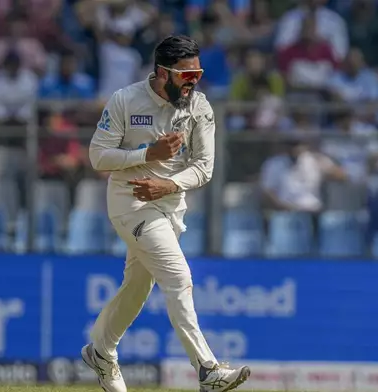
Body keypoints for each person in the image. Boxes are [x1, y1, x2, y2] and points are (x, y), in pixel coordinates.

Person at [85, 35, 251, 392]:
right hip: (131, 203)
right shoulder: (125, 100)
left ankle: (101, 351)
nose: (193, 83)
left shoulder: (200, 107)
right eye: (185, 75)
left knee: (136, 288)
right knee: (179, 278)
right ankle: (207, 370)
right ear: (162, 72)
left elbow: (204, 167)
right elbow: (98, 156)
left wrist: (170, 185)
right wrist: (147, 154)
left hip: (170, 207)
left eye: (198, 74)